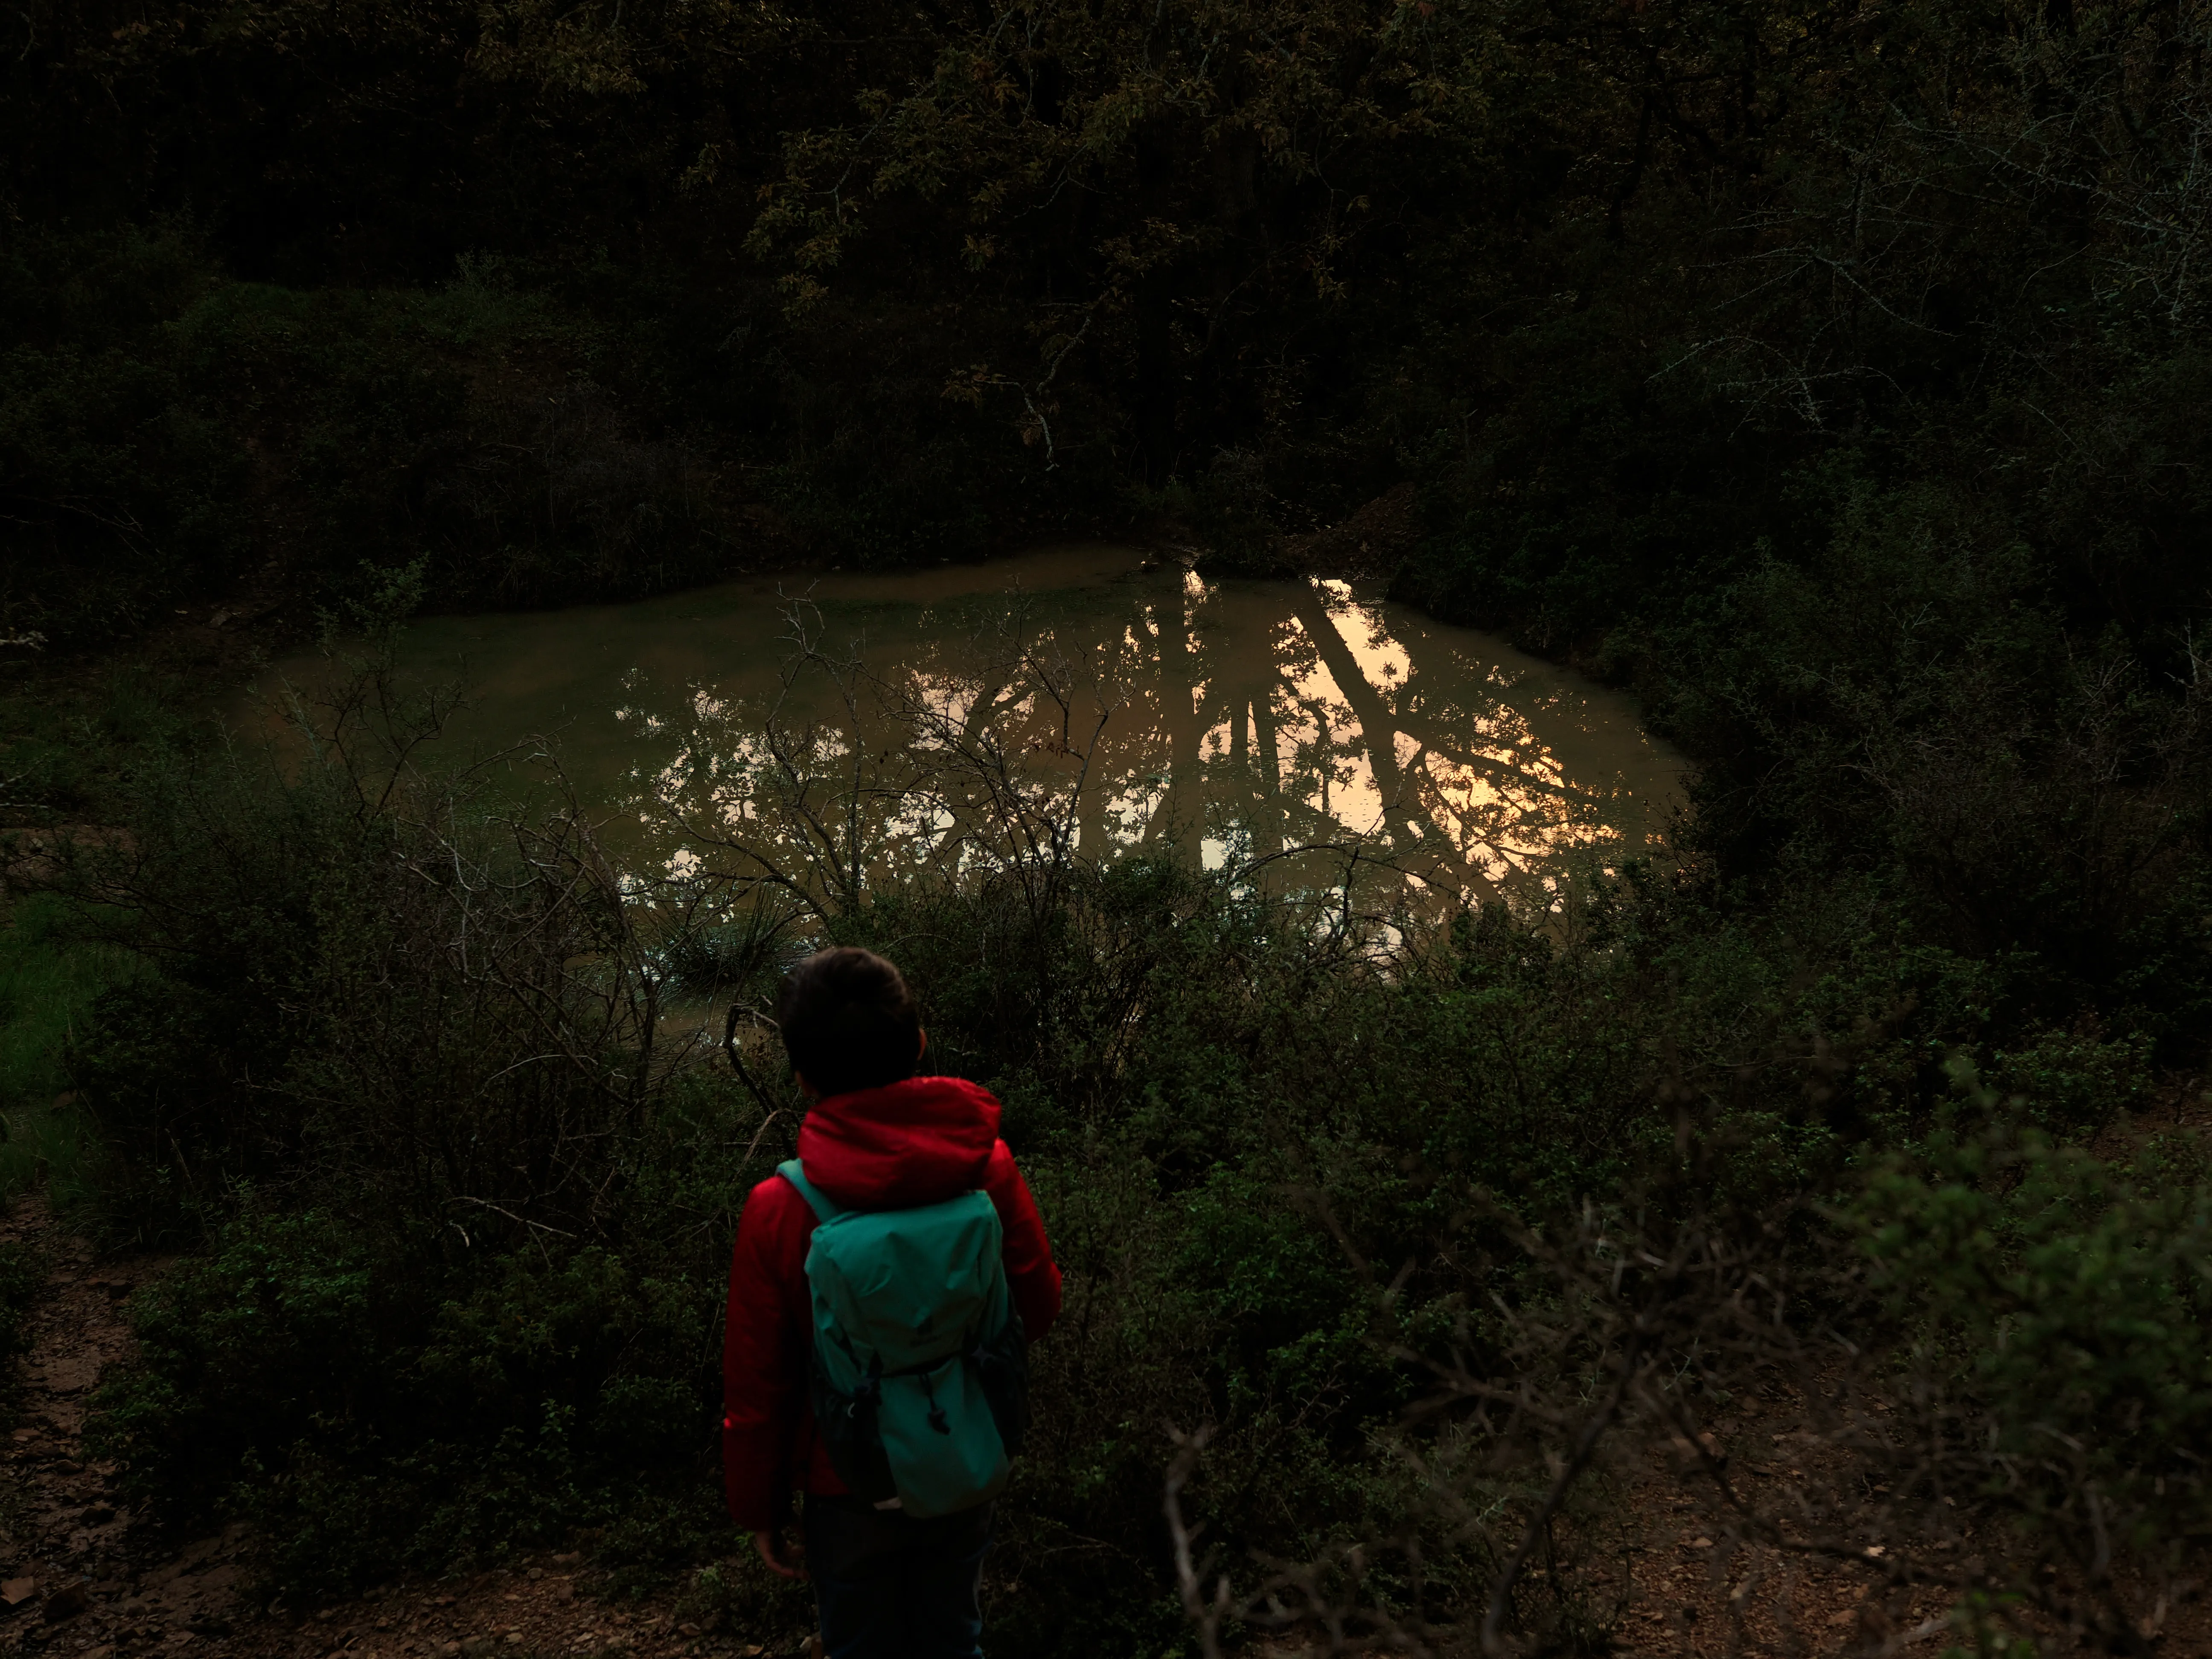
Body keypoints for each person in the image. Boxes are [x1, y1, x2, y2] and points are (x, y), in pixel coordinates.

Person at [722, 946, 1062, 1659]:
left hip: (845, 1482)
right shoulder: (986, 1169)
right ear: (918, 1046)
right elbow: (1039, 1307)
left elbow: (762, 1387)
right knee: (954, 1635)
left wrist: (760, 1507)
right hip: (962, 1455)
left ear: (802, 1076)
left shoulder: (779, 1208)